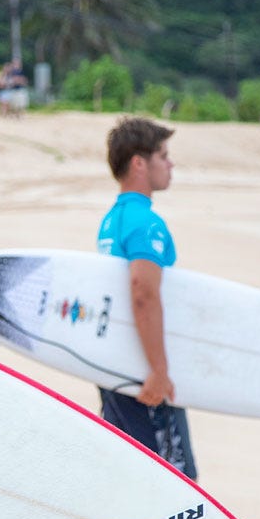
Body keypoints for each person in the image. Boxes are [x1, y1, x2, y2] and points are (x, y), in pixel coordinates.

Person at [94, 117, 196, 481]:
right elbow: (143, 292)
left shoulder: (112, 220)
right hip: (141, 372)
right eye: (163, 156)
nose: (170, 165)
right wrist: (159, 370)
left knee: (129, 476)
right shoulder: (145, 223)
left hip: (115, 367)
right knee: (173, 482)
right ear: (139, 163)